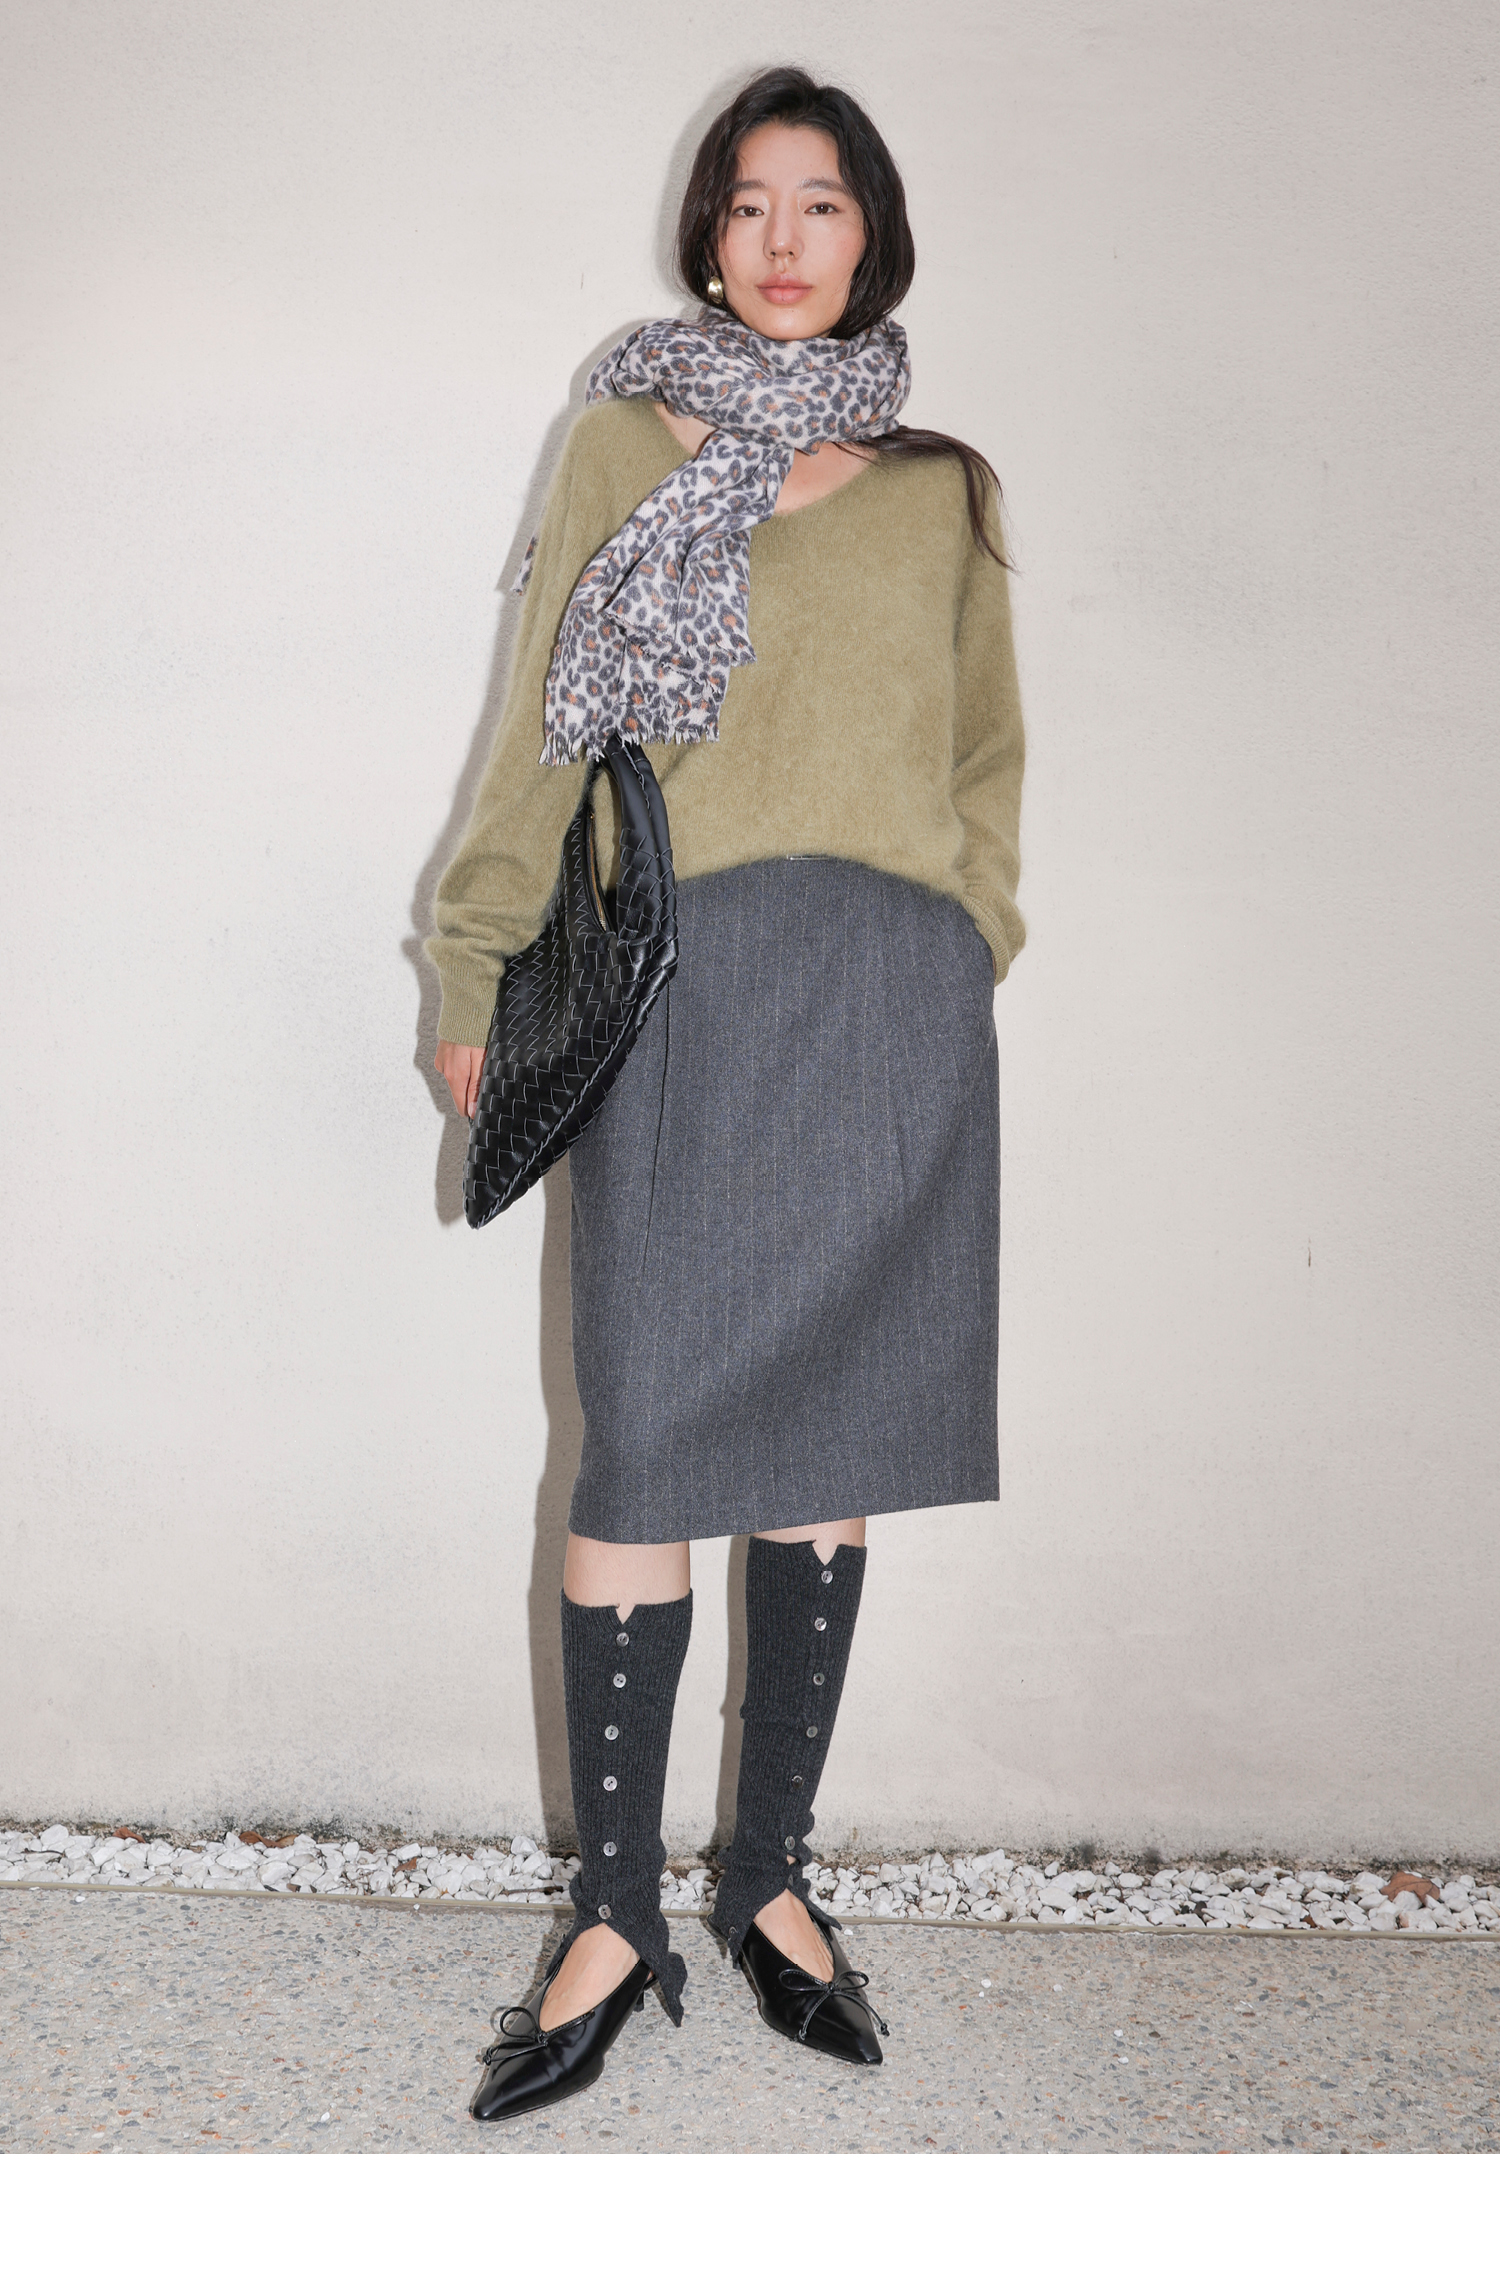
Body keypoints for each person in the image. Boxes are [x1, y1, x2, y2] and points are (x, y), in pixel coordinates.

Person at [426, 65, 1026, 2122]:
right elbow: (543, 729)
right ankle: (616, 1913)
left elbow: (985, 759)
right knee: (643, 1446)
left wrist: (971, 934)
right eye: (752, 202)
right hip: (678, 987)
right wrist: (476, 961)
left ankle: (768, 1882)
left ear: (873, 238)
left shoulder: (943, 492)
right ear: (707, 233)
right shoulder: (623, 443)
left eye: (823, 203)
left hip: (885, 1000)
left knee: (821, 1449)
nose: (785, 237)